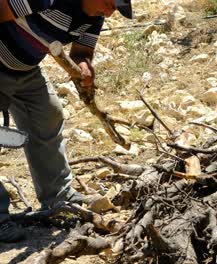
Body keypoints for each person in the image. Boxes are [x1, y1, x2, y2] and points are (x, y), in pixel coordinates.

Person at [0, 0, 132, 243]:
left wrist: (84, 67)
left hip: (26, 70)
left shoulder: (94, 17)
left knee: (48, 115)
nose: (110, 13)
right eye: (109, 4)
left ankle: (58, 198)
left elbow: (81, 53)